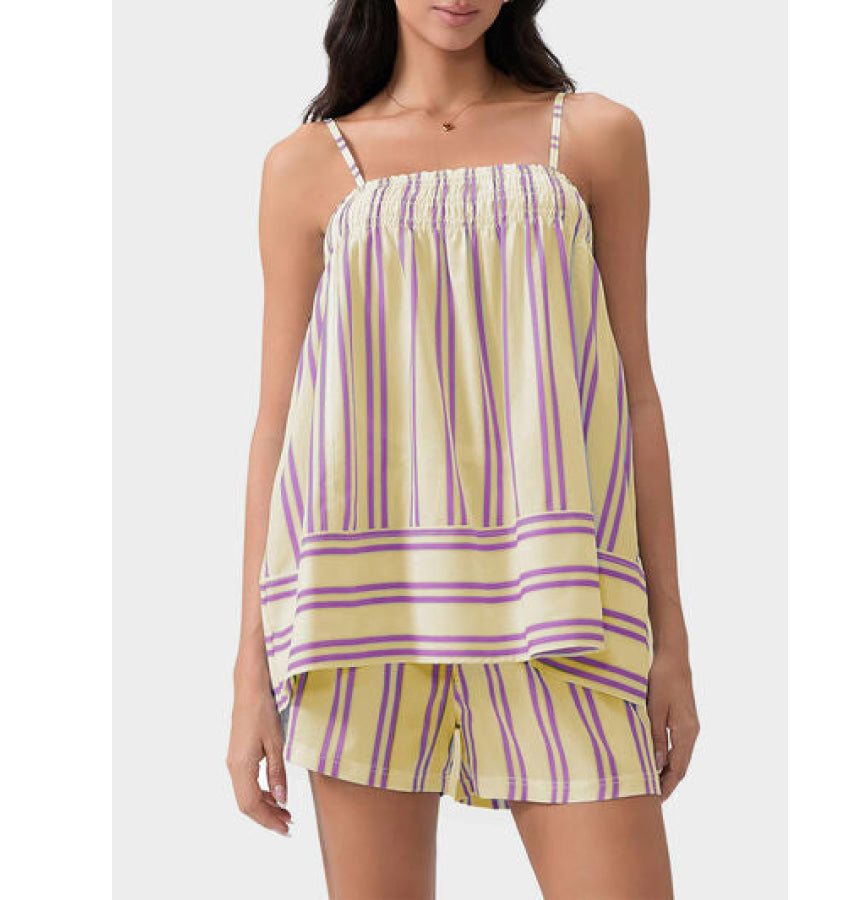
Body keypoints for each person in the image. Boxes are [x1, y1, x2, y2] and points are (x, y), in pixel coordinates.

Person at [227, 1, 699, 897]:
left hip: (567, 605)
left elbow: (636, 394)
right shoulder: (305, 165)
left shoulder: (595, 137)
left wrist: (669, 634)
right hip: (360, 613)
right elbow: (276, 427)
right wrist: (252, 671)